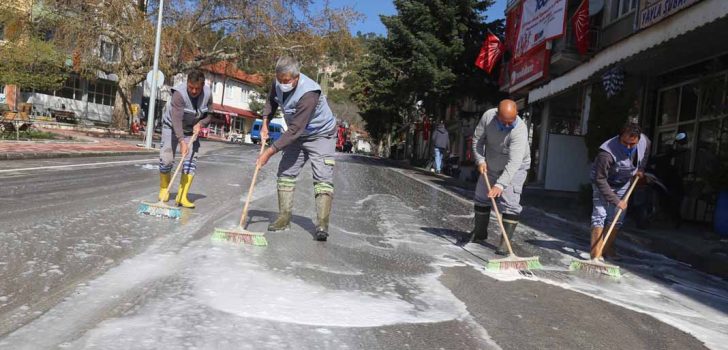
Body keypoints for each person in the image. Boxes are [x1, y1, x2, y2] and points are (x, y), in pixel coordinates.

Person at [256, 57, 337, 242]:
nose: (283, 84)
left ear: (297, 77)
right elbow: (271, 101)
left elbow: (294, 130)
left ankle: (322, 224)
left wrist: (269, 152)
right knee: (285, 173)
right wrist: (265, 123)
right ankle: (284, 218)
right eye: (280, 80)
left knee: (323, 177)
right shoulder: (277, 83)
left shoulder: (309, 93)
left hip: (320, 134)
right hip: (297, 134)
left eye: (287, 81)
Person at [458, 99, 531, 256]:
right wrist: (480, 160)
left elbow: (514, 162)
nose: (506, 126)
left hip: (515, 168)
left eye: (509, 123)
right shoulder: (488, 117)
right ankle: (479, 233)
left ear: (517, 115)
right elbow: (477, 140)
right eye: (503, 122)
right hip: (491, 163)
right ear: (497, 115)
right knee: (481, 196)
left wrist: (501, 184)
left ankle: (505, 243)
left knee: (510, 202)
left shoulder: (520, 130)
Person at [590, 122, 650, 259]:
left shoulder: (644, 141)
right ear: (619, 137)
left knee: (617, 219)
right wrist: (616, 201)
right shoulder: (607, 153)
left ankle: (605, 249)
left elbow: (645, 152)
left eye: (632, 144)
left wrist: (641, 168)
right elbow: (600, 180)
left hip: (623, 182)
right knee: (599, 215)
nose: (628, 147)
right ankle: (595, 255)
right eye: (625, 143)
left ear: (638, 139)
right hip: (603, 182)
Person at [157, 69, 212, 208]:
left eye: (197, 89)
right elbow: (176, 119)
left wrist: (201, 123)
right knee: (166, 158)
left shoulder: (208, 94)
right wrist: (181, 141)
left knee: (190, 162)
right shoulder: (179, 94)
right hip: (171, 126)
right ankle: (164, 188)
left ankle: (182, 196)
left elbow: (210, 115)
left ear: (202, 85)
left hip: (191, 130)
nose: (193, 91)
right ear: (187, 83)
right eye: (191, 87)